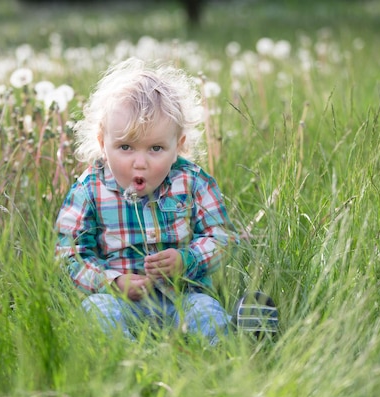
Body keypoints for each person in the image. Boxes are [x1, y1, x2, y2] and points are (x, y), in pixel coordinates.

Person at [55, 57, 272, 346]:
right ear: (102, 143)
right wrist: (112, 281)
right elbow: (70, 254)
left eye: (156, 148)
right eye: (125, 147)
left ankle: (235, 342)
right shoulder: (90, 189)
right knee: (96, 312)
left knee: (206, 313)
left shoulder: (193, 182)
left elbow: (220, 237)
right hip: (119, 302)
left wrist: (187, 259)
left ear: (178, 145)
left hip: (183, 297)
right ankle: (129, 358)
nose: (140, 163)